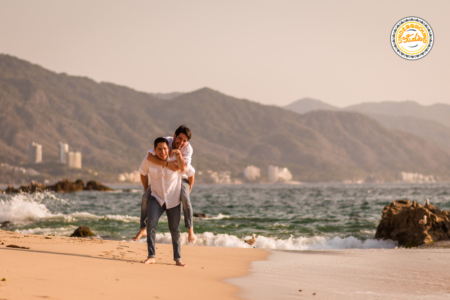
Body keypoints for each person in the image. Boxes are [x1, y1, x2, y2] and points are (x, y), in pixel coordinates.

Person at [133, 125, 196, 242]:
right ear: (174, 136)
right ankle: (143, 228)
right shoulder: (164, 142)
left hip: (182, 177)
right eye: (180, 139)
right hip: (167, 177)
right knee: (146, 198)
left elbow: (182, 169)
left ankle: (190, 230)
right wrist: (167, 164)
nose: (181, 142)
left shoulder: (188, 149)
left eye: (185, 141)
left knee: (185, 199)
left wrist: (178, 153)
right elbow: (150, 157)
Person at [140, 137, 195, 266]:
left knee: (175, 229)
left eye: (165, 149)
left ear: (168, 148)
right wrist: (147, 189)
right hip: (156, 197)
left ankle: (178, 259)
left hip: (173, 199)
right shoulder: (149, 159)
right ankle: (151, 256)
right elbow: (142, 173)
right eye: (159, 149)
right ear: (155, 149)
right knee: (151, 225)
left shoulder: (175, 159)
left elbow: (190, 172)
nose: (163, 151)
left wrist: (190, 188)